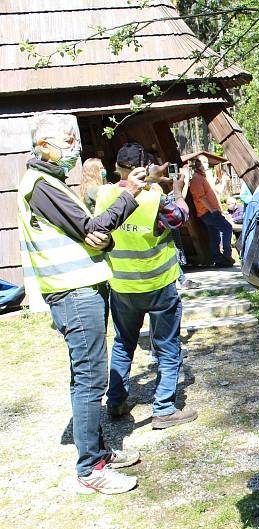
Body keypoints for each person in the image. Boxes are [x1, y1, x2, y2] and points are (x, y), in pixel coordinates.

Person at [17, 113, 143, 494]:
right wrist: (128, 197)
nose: (74, 148)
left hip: (79, 289)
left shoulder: (50, 183)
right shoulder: (42, 186)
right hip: (73, 292)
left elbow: (96, 235)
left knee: (84, 375)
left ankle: (99, 450)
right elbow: (94, 229)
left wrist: (100, 234)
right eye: (67, 141)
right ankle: (90, 467)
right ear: (44, 146)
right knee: (91, 378)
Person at [95, 144, 198, 430]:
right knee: (167, 346)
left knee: (123, 343)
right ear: (144, 167)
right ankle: (163, 408)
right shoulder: (155, 199)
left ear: (117, 167)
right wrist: (177, 191)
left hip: (122, 285)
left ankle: (116, 400)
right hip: (158, 285)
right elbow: (180, 218)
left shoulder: (104, 195)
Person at [189, 156, 234, 267]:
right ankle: (227, 254)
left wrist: (222, 182)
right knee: (227, 228)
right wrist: (212, 210)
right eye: (205, 162)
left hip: (210, 211)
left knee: (215, 236)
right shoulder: (196, 179)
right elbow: (201, 197)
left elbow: (214, 192)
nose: (207, 165)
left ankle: (219, 260)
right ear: (198, 164)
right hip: (208, 212)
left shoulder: (202, 177)